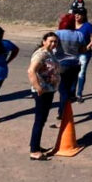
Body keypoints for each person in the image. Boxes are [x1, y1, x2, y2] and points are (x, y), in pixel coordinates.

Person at [27, 32, 60, 161]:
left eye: (55, 42)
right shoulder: (41, 54)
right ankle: (34, 151)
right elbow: (31, 71)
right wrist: (38, 87)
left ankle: (35, 145)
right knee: (39, 120)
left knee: (42, 120)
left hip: (49, 90)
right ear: (44, 41)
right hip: (43, 92)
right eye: (51, 41)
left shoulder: (50, 53)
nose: (53, 44)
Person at [55, 20, 85, 120]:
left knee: (63, 91)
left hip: (62, 64)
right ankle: (71, 97)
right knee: (71, 85)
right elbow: (83, 49)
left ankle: (62, 113)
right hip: (75, 63)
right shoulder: (79, 34)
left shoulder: (58, 33)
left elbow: (53, 47)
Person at [74, 8, 92, 103]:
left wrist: (87, 47)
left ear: (84, 16)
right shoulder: (71, 24)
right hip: (73, 53)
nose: (77, 16)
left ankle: (79, 94)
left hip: (84, 53)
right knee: (72, 73)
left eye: (79, 14)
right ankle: (71, 93)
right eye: (76, 14)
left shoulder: (88, 26)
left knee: (81, 72)